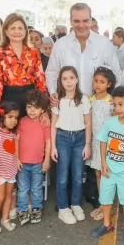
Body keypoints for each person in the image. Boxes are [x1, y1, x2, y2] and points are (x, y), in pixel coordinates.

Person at [90, 86, 124, 239]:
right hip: (109, 171)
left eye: (121, 104)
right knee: (106, 198)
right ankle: (106, 224)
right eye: (115, 105)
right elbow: (102, 142)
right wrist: (103, 163)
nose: (117, 108)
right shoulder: (111, 122)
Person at [46, 3, 121, 102]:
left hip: (98, 107)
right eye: (77, 21)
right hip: (68, 106)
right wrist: (52, 92)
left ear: (90, 20)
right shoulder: (60, 45)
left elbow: (116, 73)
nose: (81, 25)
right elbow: (52, 72)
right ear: (71, 21)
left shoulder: (104, 44)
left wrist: (114, 95)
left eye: (85, 21)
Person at [0, 13, 47, 127]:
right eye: (13, 28)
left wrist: (43, 108)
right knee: (11, 140)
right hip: (8, 100)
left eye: (20, 28)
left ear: (25, 31)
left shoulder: (34, 52)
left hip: (31, 102)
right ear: (6, 31)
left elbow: (41, 81)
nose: (17, 31)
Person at [51, 66, 92, 224]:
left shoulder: (83, 99)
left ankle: (75, 204)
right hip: (62, 138)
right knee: (62, 176)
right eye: (64, 78)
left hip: (80, 139)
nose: (68, 81)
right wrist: (53, 147)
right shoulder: (58, 100)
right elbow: (54, 124)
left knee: (77, 175)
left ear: (77, 79)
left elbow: (88, 123)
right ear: (60, 81)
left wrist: (87, 144)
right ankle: (63, 208)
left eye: (71, 78)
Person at [16, 90, 51, 225]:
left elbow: (48, 143)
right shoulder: (22, 121)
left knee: (36, 188)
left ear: (42, 109)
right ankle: (22, 210)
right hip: (22, 163)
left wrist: (46, 159)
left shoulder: (44, 123)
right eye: (29, 107)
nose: (32, 110)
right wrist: (16, 158)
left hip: (38, 162)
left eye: (36, 108)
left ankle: (37, 208)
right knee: (23, 188)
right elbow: (17, 140)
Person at [88, 67, 116, 221]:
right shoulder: (89, 99)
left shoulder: (110, 101)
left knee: (106, 174)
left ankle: (107, 204)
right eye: (96, 81)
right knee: (97, 173)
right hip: (94, 142)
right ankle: (102, 202)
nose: (98, 84)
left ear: (109, 84)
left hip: (106, 143)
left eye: (102, 82)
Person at [0, 101, 20, 235]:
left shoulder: (13, 135)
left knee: (8, 196)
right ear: (2, 116)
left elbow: (14, 154)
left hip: (11, 171)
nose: (14, 121)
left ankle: (5, 219)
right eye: (10, 117)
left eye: (16, 118)